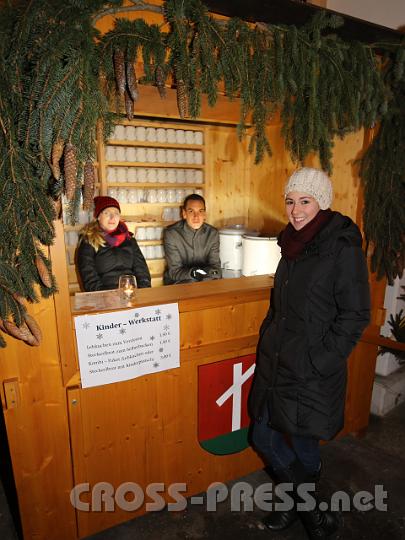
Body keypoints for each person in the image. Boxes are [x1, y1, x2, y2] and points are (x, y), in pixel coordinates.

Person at [248, 168, 370, 539]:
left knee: (301, 443)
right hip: (279, 365)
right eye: (290, 200)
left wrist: (319, 361)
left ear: (322, 203)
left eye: (305, 201)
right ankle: (309, 510)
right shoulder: (291, 243)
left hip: (311, 370)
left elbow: (355, 314)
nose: (295, 210)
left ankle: (299, 509)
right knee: (266, 437)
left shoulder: (340, 247)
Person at [77, 196, 151, 291]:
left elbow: (142, 270)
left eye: (116, 213)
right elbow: (88, 276)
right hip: (104, 298)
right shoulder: (89, 240)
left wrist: (143, 292)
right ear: (98, 216)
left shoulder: (129, 239)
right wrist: (105, 296)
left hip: (131, 294)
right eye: (107, 213)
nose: (112, 217)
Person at [163, 194, 222, 285]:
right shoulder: (172, 234)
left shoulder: (213, 233)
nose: (196, 216)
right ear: (184, 214)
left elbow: (216, 269)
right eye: (191, 211)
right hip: (179, 283)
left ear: (205, 214)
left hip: (206, 282)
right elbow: (174, 272)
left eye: (200, 211)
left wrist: (204, 274)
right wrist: (192, 273)